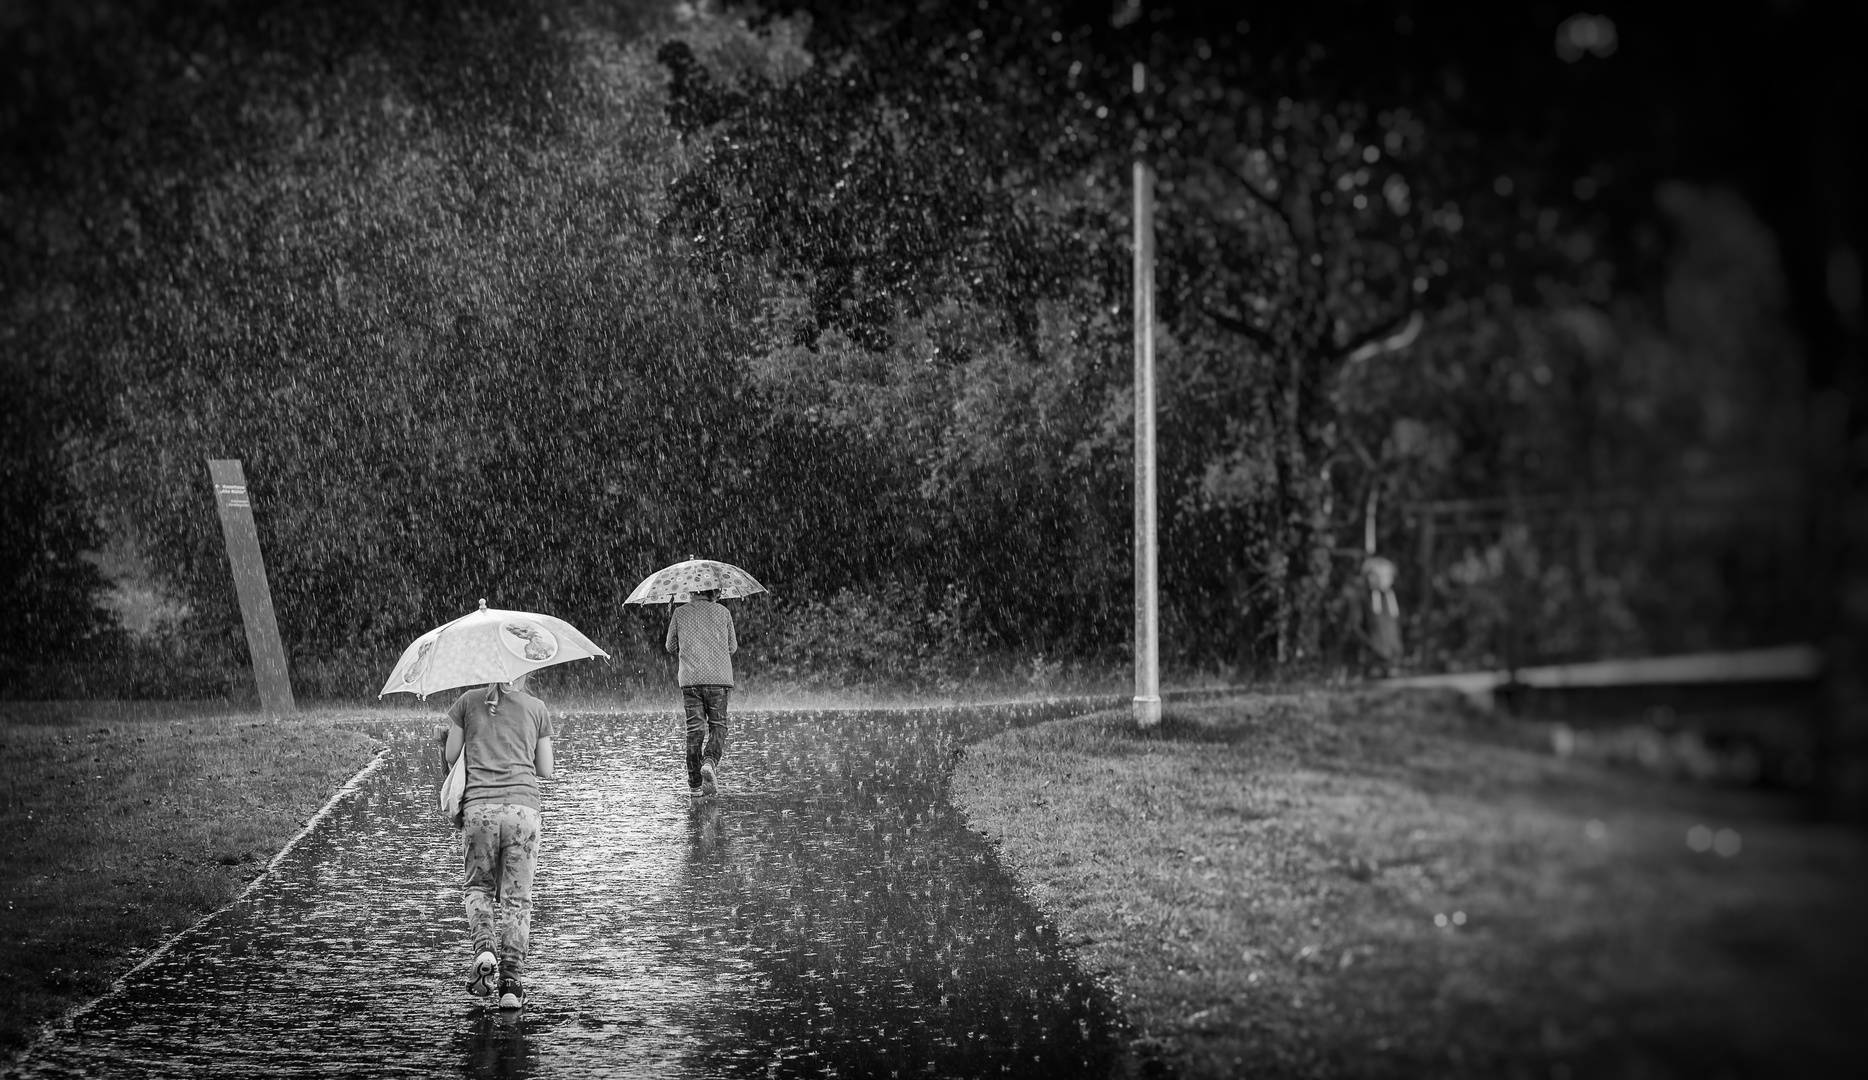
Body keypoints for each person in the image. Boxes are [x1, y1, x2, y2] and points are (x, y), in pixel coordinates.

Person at [442, 671, 555, 1010]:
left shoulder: (467, 702)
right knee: (517, 899)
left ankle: (484, 947)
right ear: (525, 670)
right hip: (523, 812)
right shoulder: (536, 707)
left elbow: (451, 755)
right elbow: (545, 768)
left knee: (478, 888)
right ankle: (510, 982)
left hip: (480, 812)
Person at [664, 586, 737, 798]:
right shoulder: (723, 612)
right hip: (718, 680)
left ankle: (695, 785)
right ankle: (709, 762)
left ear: (691, 590)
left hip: (690, 680)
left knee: (695, 731)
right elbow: (732, 647)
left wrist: (687, 640)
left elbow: (670, 646)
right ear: (714, 591)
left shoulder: (680, 612)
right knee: (718, 726)